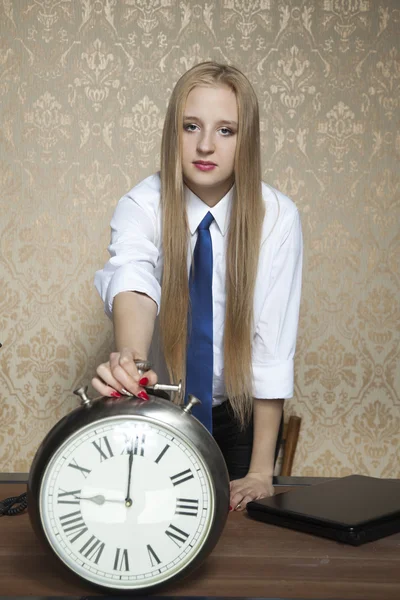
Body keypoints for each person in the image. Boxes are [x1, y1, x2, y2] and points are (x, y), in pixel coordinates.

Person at [93, 61, 303, 511]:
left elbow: (272, 345)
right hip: (159, 407)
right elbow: (132, 278)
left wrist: (261, 472)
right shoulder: (142, 204)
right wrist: (130, 359)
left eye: (226, 130)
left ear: (247, 139)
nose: (206, 144)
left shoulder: (278, 217)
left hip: (240, 418)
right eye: (192, 126)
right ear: (174, 131)